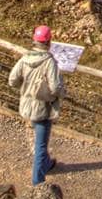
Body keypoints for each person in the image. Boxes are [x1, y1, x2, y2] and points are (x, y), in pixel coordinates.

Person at [9, 25, 65, 185]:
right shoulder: (49, 62)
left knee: (40, 139)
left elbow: (12, 80)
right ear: (49, 42)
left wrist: (26, 87)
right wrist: (61, 94)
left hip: (27, 104)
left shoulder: (25, 58)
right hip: (42, 108)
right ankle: (37, 182)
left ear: (34, 40)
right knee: (40, 144)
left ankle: (46, 164)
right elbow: (55, 87)